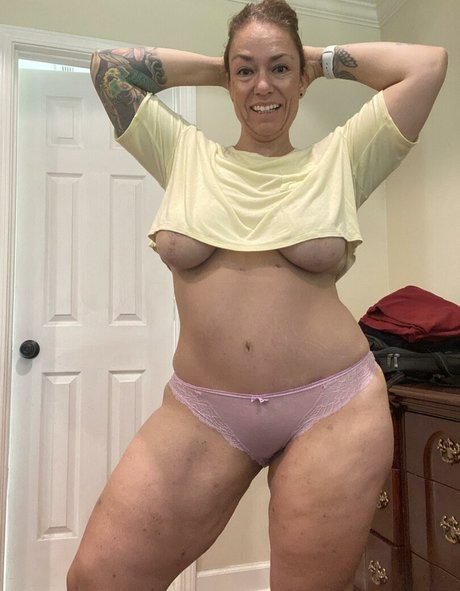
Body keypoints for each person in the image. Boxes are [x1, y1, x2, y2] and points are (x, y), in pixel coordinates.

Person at [67, 1, 447, 590]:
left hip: (334, 408)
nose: (262, 85)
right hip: (204, 412)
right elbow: (108, 68)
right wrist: (226, 69)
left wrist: (314, 60)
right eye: (245, 70)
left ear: (301, 78)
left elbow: (428, 64)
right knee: (96, 580)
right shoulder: (184, 152)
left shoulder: (341, 157)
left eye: (279, 69)